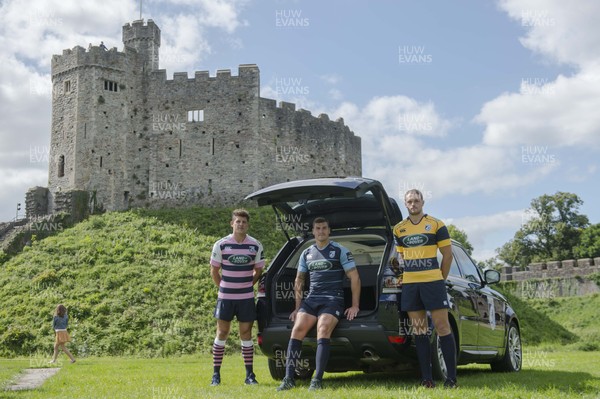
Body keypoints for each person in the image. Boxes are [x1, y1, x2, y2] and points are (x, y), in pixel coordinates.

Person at [277, 217, 360, 391]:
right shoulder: (306, 253)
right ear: (313, 231)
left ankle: (317, 380)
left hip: (333, 299)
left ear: (329, 231)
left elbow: (355, 277)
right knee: (297, 329)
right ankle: (288, 379)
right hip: (312, 299)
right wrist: (297, 307)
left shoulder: (340, 251)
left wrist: (355, 305)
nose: (321, 231)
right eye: (317, 228)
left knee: (322, 329)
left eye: (324, 228)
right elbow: (299, 280)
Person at [393, 189, 457, 388]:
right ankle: (427, 379)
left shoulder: (437, 225)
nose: (413, 204)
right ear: (405, 204)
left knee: (442, 328)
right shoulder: (398, 229)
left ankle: (451, 379)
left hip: (433, 283)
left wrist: (439, 278)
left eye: (416, 201)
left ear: (423, 202)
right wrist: (400, 277)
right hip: (411, 285)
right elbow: (400, 259)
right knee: (419, 331)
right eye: (409, 201)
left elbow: (447, 256)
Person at [210, 209, 265, 386]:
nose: (240, 224)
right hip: (226, 297)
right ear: (232, 223)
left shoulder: (255, 245)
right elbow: (214, 271)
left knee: (246, 334)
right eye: (237, 221)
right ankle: (216, 376)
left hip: (246, 298)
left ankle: (250, 376)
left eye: (244, 222)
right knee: (222, 333)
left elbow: (258, 270)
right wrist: (224, 288)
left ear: (247, 225)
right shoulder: (221, 244)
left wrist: (248, 285)